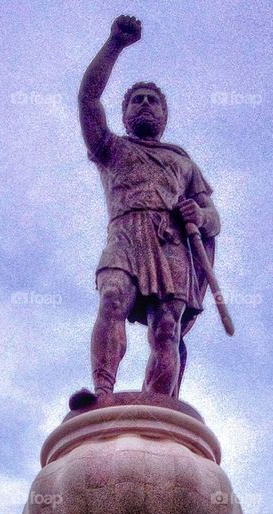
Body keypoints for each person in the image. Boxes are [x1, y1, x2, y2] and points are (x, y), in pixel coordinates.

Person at [70, 13, 221, 406]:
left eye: (153, 101)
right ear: (124, 114)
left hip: (169, 241)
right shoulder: (111, 148)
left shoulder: (182, 162)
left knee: (167, 327)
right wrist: (114, 44)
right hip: (125, 233)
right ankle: (102, 392)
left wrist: (199, 217)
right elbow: (87, 98)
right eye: (137, 99)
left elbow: (213, 217)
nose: (145, 105)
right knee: (113, 296)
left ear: (165, 115)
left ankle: (156, 404)